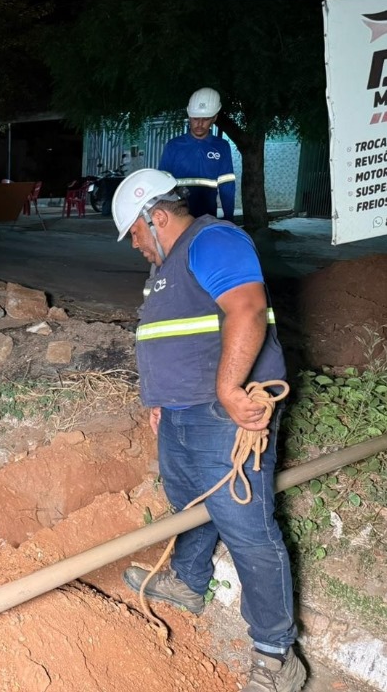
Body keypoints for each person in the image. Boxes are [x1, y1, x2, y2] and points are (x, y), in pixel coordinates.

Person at [111, 169, 306, 692]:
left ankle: (275, 653)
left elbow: (247, 309)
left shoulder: (213, 239)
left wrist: (228, 390)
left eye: (134, 232)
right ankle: (189, 583)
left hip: (222, 412)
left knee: (248, 529)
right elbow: (173, 335)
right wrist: (158, 400)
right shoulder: (167, 266)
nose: (135, 245)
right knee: (190, 503)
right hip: (179, 411)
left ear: (156, 218)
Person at [158, 87, 236, 221]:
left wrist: (229, 219)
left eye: (205, 119)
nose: (199, 124)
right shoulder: (173, 146)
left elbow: (227, 188)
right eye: (195, 119)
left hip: (207, 218)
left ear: (214, 118)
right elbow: (160, 185)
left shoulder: (222, 147)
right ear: (189, 116)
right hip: (178, 219)